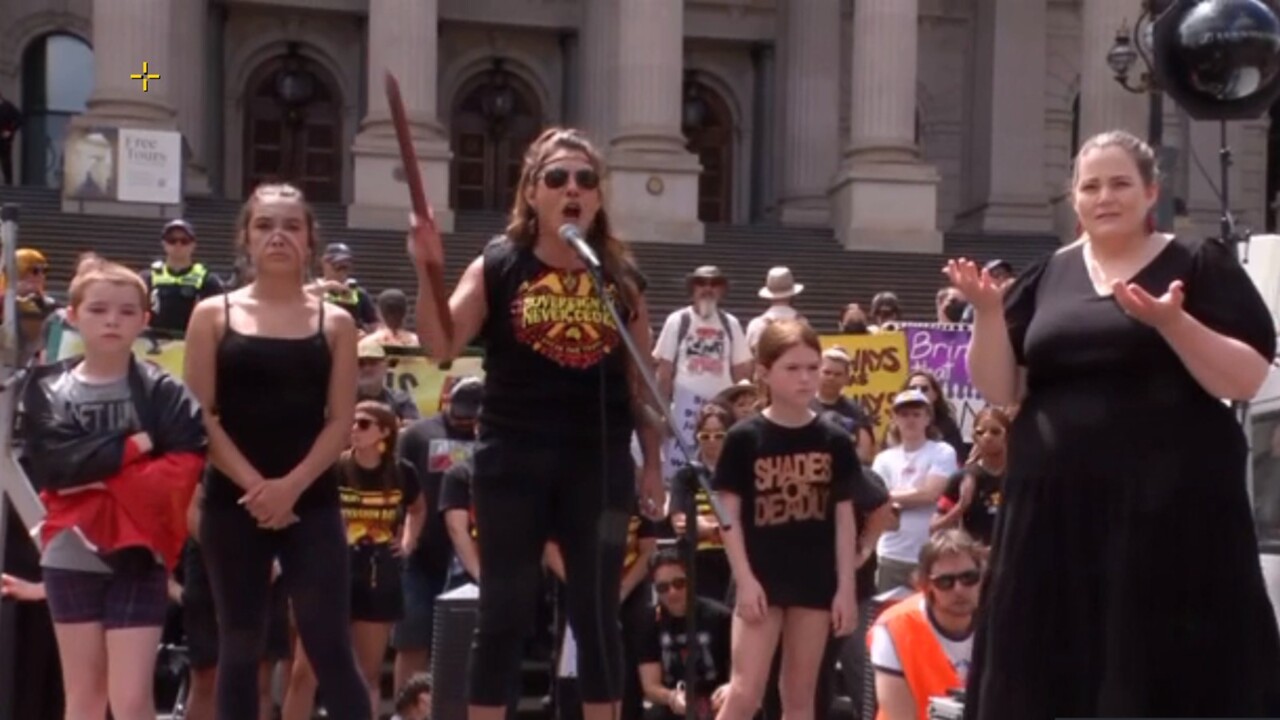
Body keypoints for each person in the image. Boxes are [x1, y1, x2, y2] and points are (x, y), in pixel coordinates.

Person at [947, 129, 1280, 718]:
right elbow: (1002, 388)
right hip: (1056, 520)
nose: (1105, 196)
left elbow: (1244, 379)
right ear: (1074, 199)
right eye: (1091, 185)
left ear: (1152, 192)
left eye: (1121, 183)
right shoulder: (1047, 275)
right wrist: (989, 314)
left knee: (1157, 670)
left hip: (1170, 516)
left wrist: (1173, 324)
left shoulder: (1197, 265)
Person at [405, 126, 665, 720]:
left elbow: (640, 381)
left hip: (596, 463)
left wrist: (652, 465)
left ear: (597, 198)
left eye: (585, 179)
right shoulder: (500, 262)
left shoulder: (619, 276)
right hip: (512, 462)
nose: (572, 188)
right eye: (557, 178)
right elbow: (441, 344)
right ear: (532, 191)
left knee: (597, 612)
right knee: (504, 609)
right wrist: (428, 272)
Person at [183, 182, 369, 720]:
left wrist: (289, 488)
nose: (279, 236)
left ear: (311, 239)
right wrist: (256, 488)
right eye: (265, 225)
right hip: (231, 503)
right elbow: (203, 417)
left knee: (330, 647)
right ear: (245, 236)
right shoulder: (211, 315)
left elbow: (340, 422)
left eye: (292, 225)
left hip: (310, 503)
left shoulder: (334, 321)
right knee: (239, 646)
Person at [21, 255, 206, 720]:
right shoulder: (46, 388)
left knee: (130, 698)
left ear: (145, 320)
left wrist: (98, 476)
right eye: (99, 309)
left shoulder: (164, 390)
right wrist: (134, 448)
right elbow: (56, 466)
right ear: (72, 314)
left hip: (140, 551)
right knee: (83, 696)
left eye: (126, 311)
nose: (112, 321)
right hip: (69, 551)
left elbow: (181, 469)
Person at [710, 320, 862, 720]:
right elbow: (729, 517)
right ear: (765, 372)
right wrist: (743, 579)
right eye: (793, 368)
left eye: (812, 367)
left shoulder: (835, 439)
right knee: (744, 692)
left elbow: (845, 519)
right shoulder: (744, 437)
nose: (806, 378)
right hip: (759, 574)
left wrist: (846, 587)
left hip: (814, 577)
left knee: (800, 696)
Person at [283, 401, 424, 720]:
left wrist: (407, 542)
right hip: (328, 571)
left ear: (384, 432)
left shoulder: (402, 471)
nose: (354, 430)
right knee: (304, 672)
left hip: (377, 574)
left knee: (366, 675)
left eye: (363, 424)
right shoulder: (333, 468)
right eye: (352, 423)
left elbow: (417, 509)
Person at [869, 530, 980, 720]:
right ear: (925, 585)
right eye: (945, 581)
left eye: (968, 577)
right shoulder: (895, 628)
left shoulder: (1002, 623)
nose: (959, 589)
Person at [143, 219, 225, 335]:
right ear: (164, 243)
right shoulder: (148, 277)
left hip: (192, 343)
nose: (178, 245)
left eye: (184, 241)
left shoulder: (207, 280)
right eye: (172, 240)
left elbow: (219, 315)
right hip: (153, 346)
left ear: (193, 245)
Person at [0, 90, 21, 185]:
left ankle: (8, 182)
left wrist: (10, 131)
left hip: (5, 138)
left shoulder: (8, 106)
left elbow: (19, 119)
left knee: (5, 160)